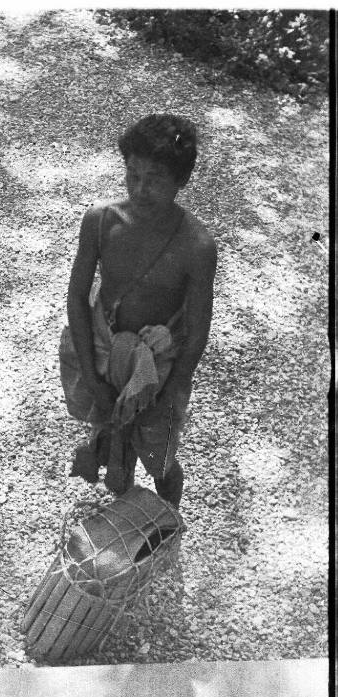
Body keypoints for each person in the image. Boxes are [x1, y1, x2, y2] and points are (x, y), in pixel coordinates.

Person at [59, 114, 216, 509]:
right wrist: (93, 377)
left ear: (181, 181)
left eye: (156, 179)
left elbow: (196, 332)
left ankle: (167, 519)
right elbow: (77, 298)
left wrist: (168, 392)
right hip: (103, 349)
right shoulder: (101, 221)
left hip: (158, 366)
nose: (140, 188)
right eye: (132, 174)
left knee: (160, 458)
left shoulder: (197, 246)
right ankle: (123, 513)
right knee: (110, 436)